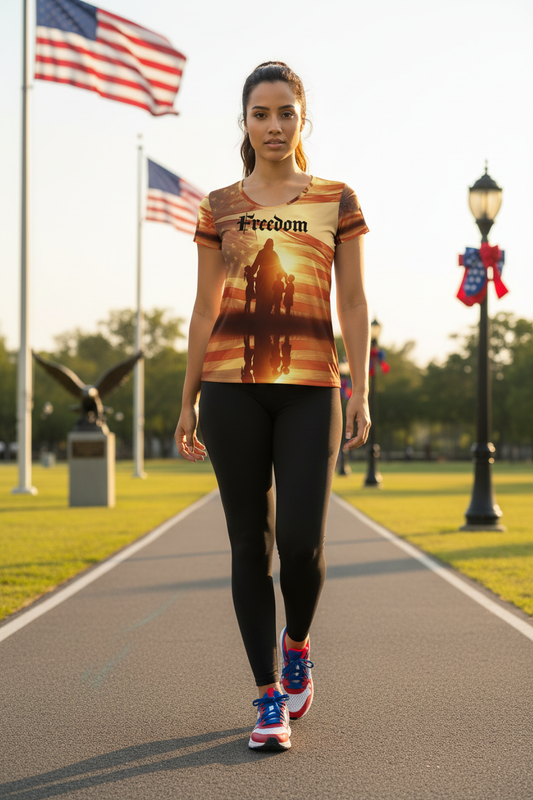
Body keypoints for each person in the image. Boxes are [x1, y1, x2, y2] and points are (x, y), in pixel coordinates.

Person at [174, 61, 370, 752]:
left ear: (301, 118)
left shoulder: (335, 198)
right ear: (245, 122)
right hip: (230, 388)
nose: (274, 125)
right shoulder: (218, 205)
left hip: (311, 387)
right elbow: (203, 307)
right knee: (247, 546)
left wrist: (358, 391)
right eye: (261, 113)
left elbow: (350, 301)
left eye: (285, 112)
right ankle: (266, 698)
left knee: (301, 545)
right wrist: (187, 397)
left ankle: (296, 646)